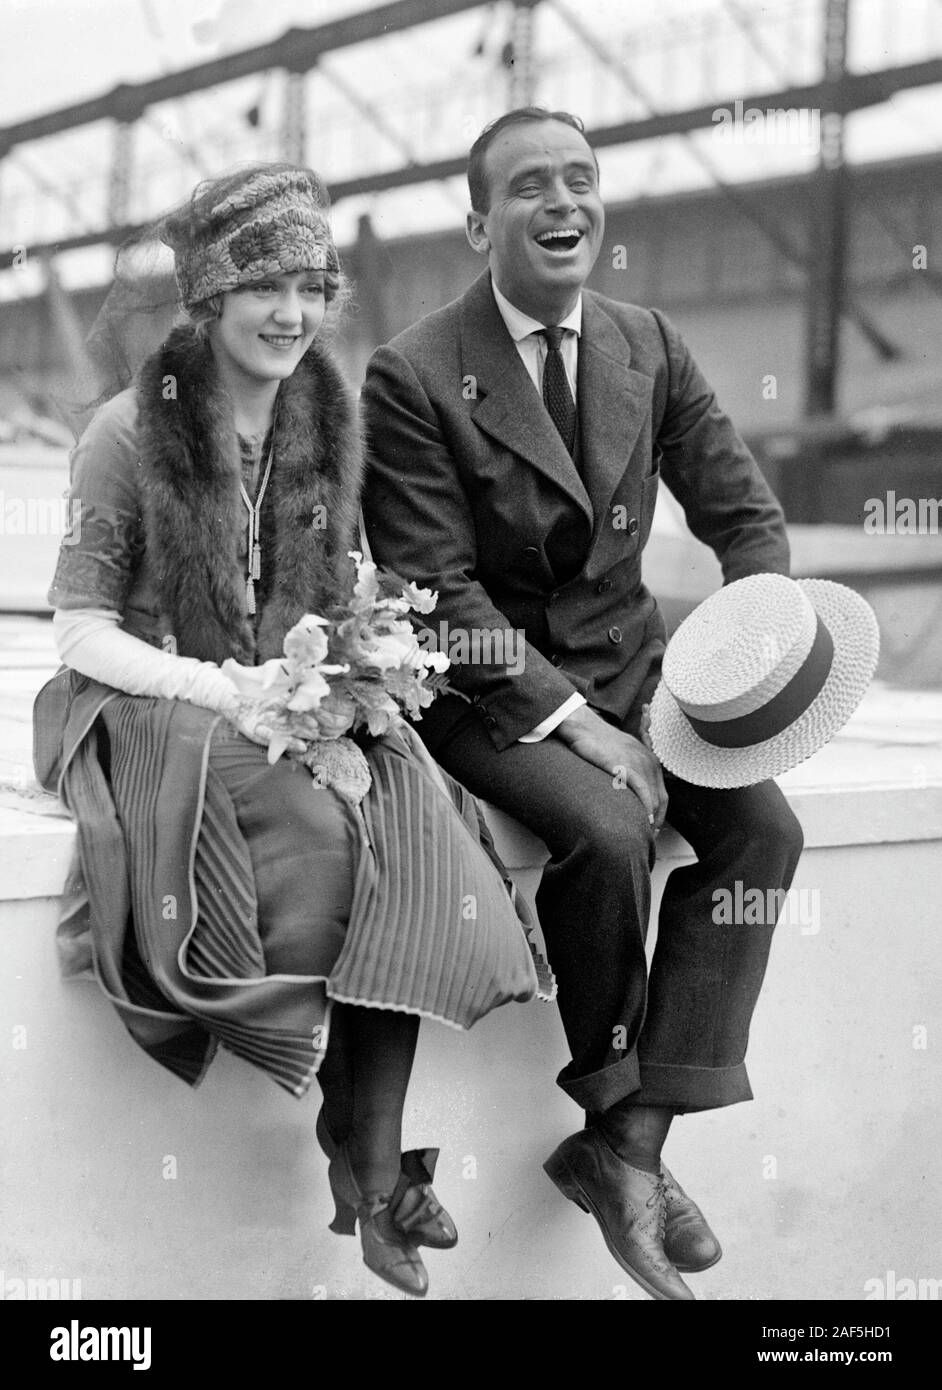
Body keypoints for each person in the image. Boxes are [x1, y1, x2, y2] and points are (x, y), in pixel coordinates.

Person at [34, 162, 546, 1301]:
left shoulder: (330, 418)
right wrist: (227, 692)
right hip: (152, 697)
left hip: (289, 684)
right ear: (209, 300)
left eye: (313, 286)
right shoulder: (129, 433)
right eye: (265, 285)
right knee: (323, 837)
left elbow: (338, 575)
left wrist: (365, 647)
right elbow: (78, 632)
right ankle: (370, 1165)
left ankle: (368, 1159)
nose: (292, 312)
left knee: (411, 817)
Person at [360, 108, 805, 1301]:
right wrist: (586, 728)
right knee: (605, 829)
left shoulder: (646, 343)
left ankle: (630, 1146)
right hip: (483, 693)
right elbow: (435, 590)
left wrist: (753, 660)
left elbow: (744, 519)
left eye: (582, 180)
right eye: (530, 187)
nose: (564, 204)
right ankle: (613, 1112)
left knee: (765, 829)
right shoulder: (411, 373)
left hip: (639, 677)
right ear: (477, 222)